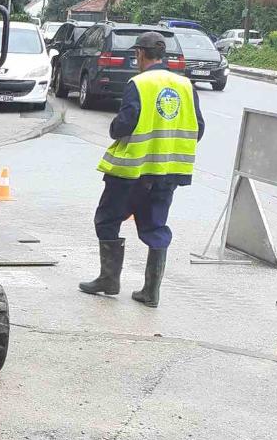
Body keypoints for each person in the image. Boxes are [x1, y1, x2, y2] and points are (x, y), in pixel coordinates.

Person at [79, 31, 204, 307]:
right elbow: (199, 127)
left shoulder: (139, 83)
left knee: (108, 219)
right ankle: (151, 292)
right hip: (168, 173)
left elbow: (125, 124)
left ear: (139, 54)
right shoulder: (185, 84)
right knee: (155, 225)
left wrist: (114, 129)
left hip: (132, 172)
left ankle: (109, 280)